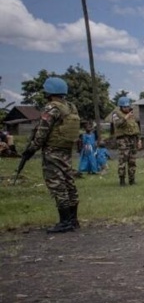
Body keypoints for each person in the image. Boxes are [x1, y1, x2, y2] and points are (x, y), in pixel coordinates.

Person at [20, 77, 81, 233]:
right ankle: (73, 220)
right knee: (69, 183)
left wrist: (31, 149)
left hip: (52, 151)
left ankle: (65, 222)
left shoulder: (52, 108)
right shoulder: (71, 107)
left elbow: (42, 132)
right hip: (66, 150)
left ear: (49, 92)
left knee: (57, 184)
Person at [111, 97, 141, 186]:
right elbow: (117, 124)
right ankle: (122, 180)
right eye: (125, 107)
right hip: (123, 139)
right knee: (123, 160)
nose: (127, 108)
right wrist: (125, 117)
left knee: (132, 160)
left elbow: (135, 127)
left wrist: (138, 140)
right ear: (121, 107)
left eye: (128, 106)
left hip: (132, 139)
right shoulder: (116, 114)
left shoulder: (131, 115)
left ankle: (132, 180)